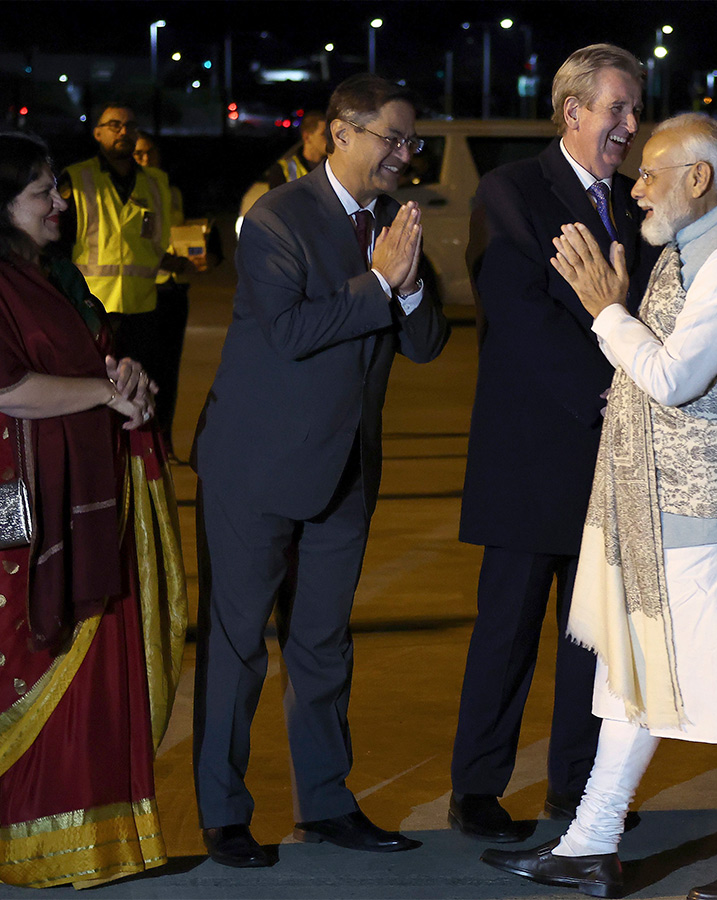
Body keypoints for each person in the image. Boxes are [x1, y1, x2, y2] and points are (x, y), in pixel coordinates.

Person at [482, 113, 717, 900]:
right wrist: (613, 308)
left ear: (700, 178)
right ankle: (591, 842)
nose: (635, 186)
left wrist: (606, 309)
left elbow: (675, 378)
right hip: (678, 511)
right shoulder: (695, 246)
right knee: (636, 670)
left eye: (651, 172)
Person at [191, 74, 447, 868]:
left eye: (413, 142)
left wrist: (402, 288)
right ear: (341, 133)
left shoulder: (396, 226)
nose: (406, 155)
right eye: (393, 139)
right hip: (255, 467)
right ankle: (223, 813)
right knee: (237, 649)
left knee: (324, 647)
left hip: (345, 470)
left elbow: (429, 341)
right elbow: (296, 331)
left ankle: (328, 804)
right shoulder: (275, 219)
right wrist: (379, 282)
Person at [452, 43, 654, 842]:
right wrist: (611, 390)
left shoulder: (637, 203)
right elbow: (516, 312)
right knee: (506, 633)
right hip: (531, 456)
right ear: (572, 111)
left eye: (635, 109)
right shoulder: (513, 192)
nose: (630, 125)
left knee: (593, 640)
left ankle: (576, 787)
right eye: (617, 109)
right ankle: (475, 789)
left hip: (610, 463)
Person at [0, 131, 185, 887]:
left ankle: (99, 842)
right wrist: (103, 395)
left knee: (99, 669)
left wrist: (124, 375)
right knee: (37, 658)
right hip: (31, 516)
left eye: (56, 187)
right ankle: (31, 841)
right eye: (42, 191)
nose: (60, 201)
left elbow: (89, 352)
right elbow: (8, 387)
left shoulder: (53, 273)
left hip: (90, 498)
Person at [58, 105, 192, 388]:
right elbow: (59, 245)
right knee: (98, 389)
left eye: (130, 126)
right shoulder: (77, 179)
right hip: (93, 306)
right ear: (97, 133)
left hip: (143, 310)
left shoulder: (157, 183)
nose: (123, 131)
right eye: (114, 124)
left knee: (141, 392)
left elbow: (154, 242)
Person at [132, 132, 213, 457]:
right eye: (138, 154)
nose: (145, 159)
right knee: (143, 372)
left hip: (173, 289)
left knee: (168, 373)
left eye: (149, 152)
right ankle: (143, 443)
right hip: (141, 293)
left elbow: (184, 231)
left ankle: (162, 442)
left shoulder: (171, 191)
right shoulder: (132, 194)